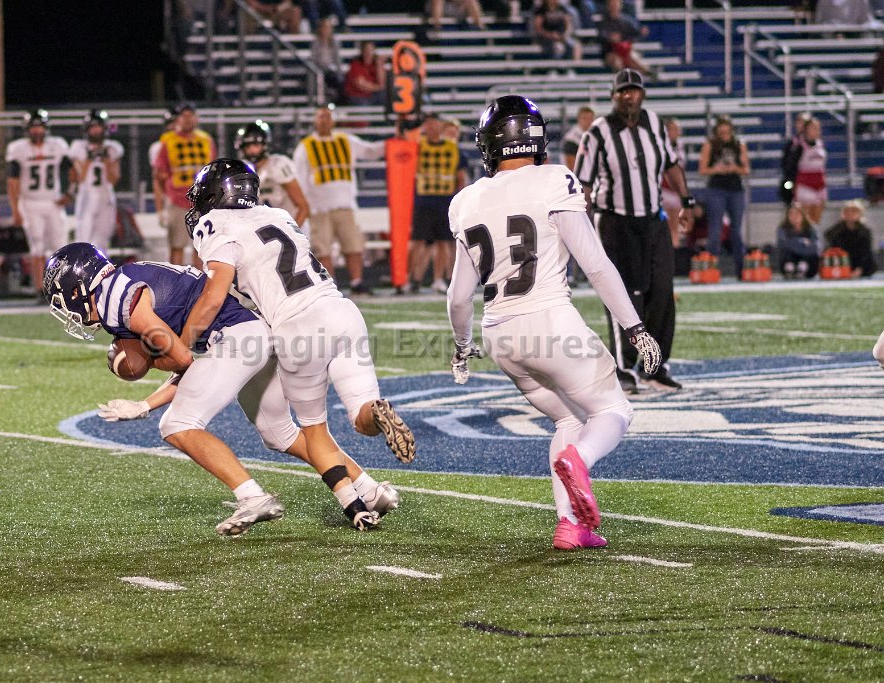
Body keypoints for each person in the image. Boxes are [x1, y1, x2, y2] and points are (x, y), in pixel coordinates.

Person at [44, 243, 399, 536]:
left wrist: (149, 368)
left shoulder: (114, 299)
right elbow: (193, 366)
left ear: (77, 288)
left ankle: (252, 496)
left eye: (61, 298)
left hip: (236, 338)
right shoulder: (127, 278)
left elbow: (184, 359)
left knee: (177, 424)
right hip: (253, 336)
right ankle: (369, 490)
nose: (63, 308)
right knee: (279, 433)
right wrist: (145, 404)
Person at [446, 95, 662, 550]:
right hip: (548, 319)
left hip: (499, 333)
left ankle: (570, 525)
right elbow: (595, 264)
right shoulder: (554, 179)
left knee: (567, 418)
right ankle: (579, 460)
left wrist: (462, 346)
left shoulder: (465, 200)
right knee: (613, 411)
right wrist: (635, 327)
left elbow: (458, 296)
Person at [183, 159, 417, 530]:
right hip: (341, 310)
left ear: (214, 196)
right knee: (361, 417)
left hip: (297, 327)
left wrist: (181, 343)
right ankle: (376, 414)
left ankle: (354, 507)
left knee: (314, 432)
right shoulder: (278, 215)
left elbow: (214, 295)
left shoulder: (215, 223)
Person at [574, 68, 694, 393]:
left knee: (663, 292)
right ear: (613, 96)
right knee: (622, 295)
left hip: (653, 220)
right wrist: (580, 225)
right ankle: (623, 367)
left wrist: (686, 200)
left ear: (642, 94)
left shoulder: (654, 123)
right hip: (615, 222)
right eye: (623, 91)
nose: (629, 96)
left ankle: (655, 366)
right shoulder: (598, 132)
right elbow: (583, 183)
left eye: (634, 90)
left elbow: (671, 164)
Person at [292, 105, 384, 294]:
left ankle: (357, 282)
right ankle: (330, 285)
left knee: (353, 245)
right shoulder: (305, 146)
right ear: (315, 121)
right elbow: (299, 178)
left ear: (333, 120)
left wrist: (394, 143)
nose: (324, 121)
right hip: (319, 207)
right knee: (322, 248)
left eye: (327, 117)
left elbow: (370, 151)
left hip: (345, 204)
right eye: (320, 117)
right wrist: (304, 205)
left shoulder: (346, 140)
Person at [6, 109, 73, 302]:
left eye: (40, 127)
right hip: (30, 203)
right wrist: (15, 209)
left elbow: (72, 171)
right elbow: (12, 182)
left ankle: (61, 289)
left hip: (53, 202)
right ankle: (41, 290)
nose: (37, 131)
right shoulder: (19, 149)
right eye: (33, 127)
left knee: (60, 248)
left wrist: (70, 193)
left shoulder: (57, 145)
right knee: (37, 248)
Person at [407, 113, 467, 294]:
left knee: (443, 242)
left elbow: (460, 177)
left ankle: (438, 278)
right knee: (418, 241)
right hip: (423, 199)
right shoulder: (417, 146)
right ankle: (412, 278)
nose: (431, 127)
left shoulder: (452, 148)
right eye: (428, 124)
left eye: (434, 124)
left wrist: (459, 200)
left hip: (444, 200)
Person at [154, 103, 216, 266]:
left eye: (190, 115)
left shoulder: (206, 140)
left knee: (202, 247)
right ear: (178, 119)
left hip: (202, 201)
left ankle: (200, 281)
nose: (187, 119)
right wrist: (160, 208)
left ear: (196, 118)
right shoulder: (168, 142)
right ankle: (177, 281)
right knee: (176, 246)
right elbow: (158, 176)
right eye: (184, 116)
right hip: (177, 200)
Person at [698, 116, 750, 278]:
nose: (725, 134)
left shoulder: (739, 144)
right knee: (715, 232)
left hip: (735, 189)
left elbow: (746, 169)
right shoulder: (710, 145)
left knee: (736, 232)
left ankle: (741, 270)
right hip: (716, 189)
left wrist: (734, 168)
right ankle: (711, 270)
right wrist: (717, 169)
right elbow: (702, 169)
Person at [235, 120, 310, 226]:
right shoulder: (242, 170)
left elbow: (303, 207)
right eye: (247, 146)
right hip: (265, 230)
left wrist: (292, 232)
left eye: (255, 145)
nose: (252, 150)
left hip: (289, 226)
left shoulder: (278, 165)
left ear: (264, 144)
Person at [70, 110, 124, 252]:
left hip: (106, 197)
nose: (95, 130)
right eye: (92, 127)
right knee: (83, 240)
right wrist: (89, 158)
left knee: (103, 242)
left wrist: (106, 160)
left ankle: (102, 267)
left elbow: (113, 180)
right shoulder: (78, 147)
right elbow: (80, 178)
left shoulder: (112, 148)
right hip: (86, 196)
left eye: (98, 126)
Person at [782, 116, 827, 225]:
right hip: (805, 183)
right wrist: (792, 184)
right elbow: (790, 166)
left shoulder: (820, 144)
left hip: (820, 183)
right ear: (806, 129)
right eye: (813, 128)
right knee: (805, 219)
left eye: (817, 128)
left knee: (816, 219)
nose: (816, 130)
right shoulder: (799, 145)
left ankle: (814, 236)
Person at [825, 199, 877, 277]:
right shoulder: (837, 230)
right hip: (841, 261)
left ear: (860, 214)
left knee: (870, 262)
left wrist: (860, 269)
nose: (850, 214)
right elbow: (831, 243)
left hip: (860, 262)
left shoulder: (865, 231)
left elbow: (866, 252)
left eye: (854, 212)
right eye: (847, 211)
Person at [596, 0, 650, 74]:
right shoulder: (603, 22)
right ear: (608, 6)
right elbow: (601, 36)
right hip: (611, 52)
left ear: (620, 5)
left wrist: (641, 32)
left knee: (633, 58)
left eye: (616, 4)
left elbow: (637, 33)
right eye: (612, 4)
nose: (614, 6)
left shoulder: (627, 21)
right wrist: (610, 38)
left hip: (626, 50)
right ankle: (622, 78)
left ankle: (650, 73)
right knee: (616, 62)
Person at [659, 117, 686, 248]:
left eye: (676, 129)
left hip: (675, 190)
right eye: (671, 129)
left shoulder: (680, 146)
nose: (674, 132)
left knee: (675, 224)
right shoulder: (660, 145)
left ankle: (675, 251)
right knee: (664, 224)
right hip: (663, 189)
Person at [777, 204, 820, 279]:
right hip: (788, 263)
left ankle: (801, 268)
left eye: (797, 214)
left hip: (808, 265)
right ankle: (791, 269)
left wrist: (793, 244)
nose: (794, 216)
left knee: (811, 256)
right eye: (791, 214)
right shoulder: (782, 230)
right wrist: (802, 242)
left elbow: (814, 247)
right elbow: (783, 244)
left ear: (803, 215)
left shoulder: (810, 229)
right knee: (786, 253)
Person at [342, 41, 386, 106]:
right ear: (362, 51)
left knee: (385, 96)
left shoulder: (376, 64)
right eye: (366, 50)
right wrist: (379, 87)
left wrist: (379, 65)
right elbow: (362, 85)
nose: (368, 53)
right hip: (357, 96)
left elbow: (383, 83)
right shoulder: (355, 64)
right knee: (364, 103)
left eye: (371, 50)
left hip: (372, 95)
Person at [310, 17, 343, 102]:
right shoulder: (316, 42)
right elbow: (313, 59)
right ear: (320, 29)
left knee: (339, 79)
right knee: (322, 78)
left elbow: (337, 60)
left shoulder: (334, 43)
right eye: (325, 27)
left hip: (331, 71)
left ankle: (337, 101)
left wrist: (339, 72)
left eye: (328, 28)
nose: (326, 30)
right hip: (319, 70)